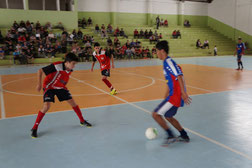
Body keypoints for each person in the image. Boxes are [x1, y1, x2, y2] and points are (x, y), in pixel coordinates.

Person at [31, 53, 92, 138]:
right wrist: (39, 84)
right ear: (67, 62)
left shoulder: (69, 69)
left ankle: (82, 120)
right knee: (46, 106)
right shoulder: (57, 66)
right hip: (49, 87)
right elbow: (40, 71)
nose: (74, 66)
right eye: (73, 64)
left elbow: (63, 78)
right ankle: (34, 128)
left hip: (60, 87)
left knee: (73, 103)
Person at [152, 40, 191, 145]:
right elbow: (170, 82)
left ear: (162, 51)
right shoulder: (166, 63)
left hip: (176, 96)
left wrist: (183, 92)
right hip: (173, 95)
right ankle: (184, 135)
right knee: (168, 116)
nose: (156, 53)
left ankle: (170, 135)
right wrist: (165, 97)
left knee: (155, 114)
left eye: (157, 51)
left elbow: (179, 75)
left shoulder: (168, 62)